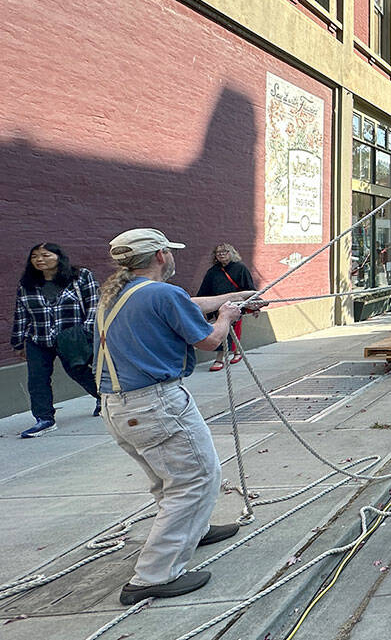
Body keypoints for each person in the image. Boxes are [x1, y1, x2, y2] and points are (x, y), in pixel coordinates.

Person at [96, 228, 258, 605]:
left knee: (167, 480)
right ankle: (154, 575)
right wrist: (227, 316)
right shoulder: (161, 293)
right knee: (196, 479)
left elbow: (188, 304)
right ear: (160, 256)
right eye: (169, 252)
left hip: (119, 406)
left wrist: (234, 298)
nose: (172, 257)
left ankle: (192, 530)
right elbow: (211, 341)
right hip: (155, 404)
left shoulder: (119, 292)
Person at [10, 243, 102, 437]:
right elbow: (21, 314)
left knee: (78, 371)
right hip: (38, 338)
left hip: (70, 337)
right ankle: (44, 419)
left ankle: (104, 398)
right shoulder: (27, 284)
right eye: (34, 256)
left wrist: (86, 331)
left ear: (59, 257)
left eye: (45, 255)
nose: (39, 259)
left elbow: (94, 304)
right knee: (37, 379)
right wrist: (18, 342)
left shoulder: (80, 276)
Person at [196, 244, 255, 371]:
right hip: (217, 306)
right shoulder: (212, 271)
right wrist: (204, 309)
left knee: (228, 330)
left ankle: (220, 358)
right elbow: (204, 290)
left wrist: (254, 306)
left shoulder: (240, 268)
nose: (221, 254)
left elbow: (249, 287)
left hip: (235, 305)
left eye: (225, 251)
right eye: (218, 253)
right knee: (225, 330)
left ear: (231, 252)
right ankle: (236, 352)